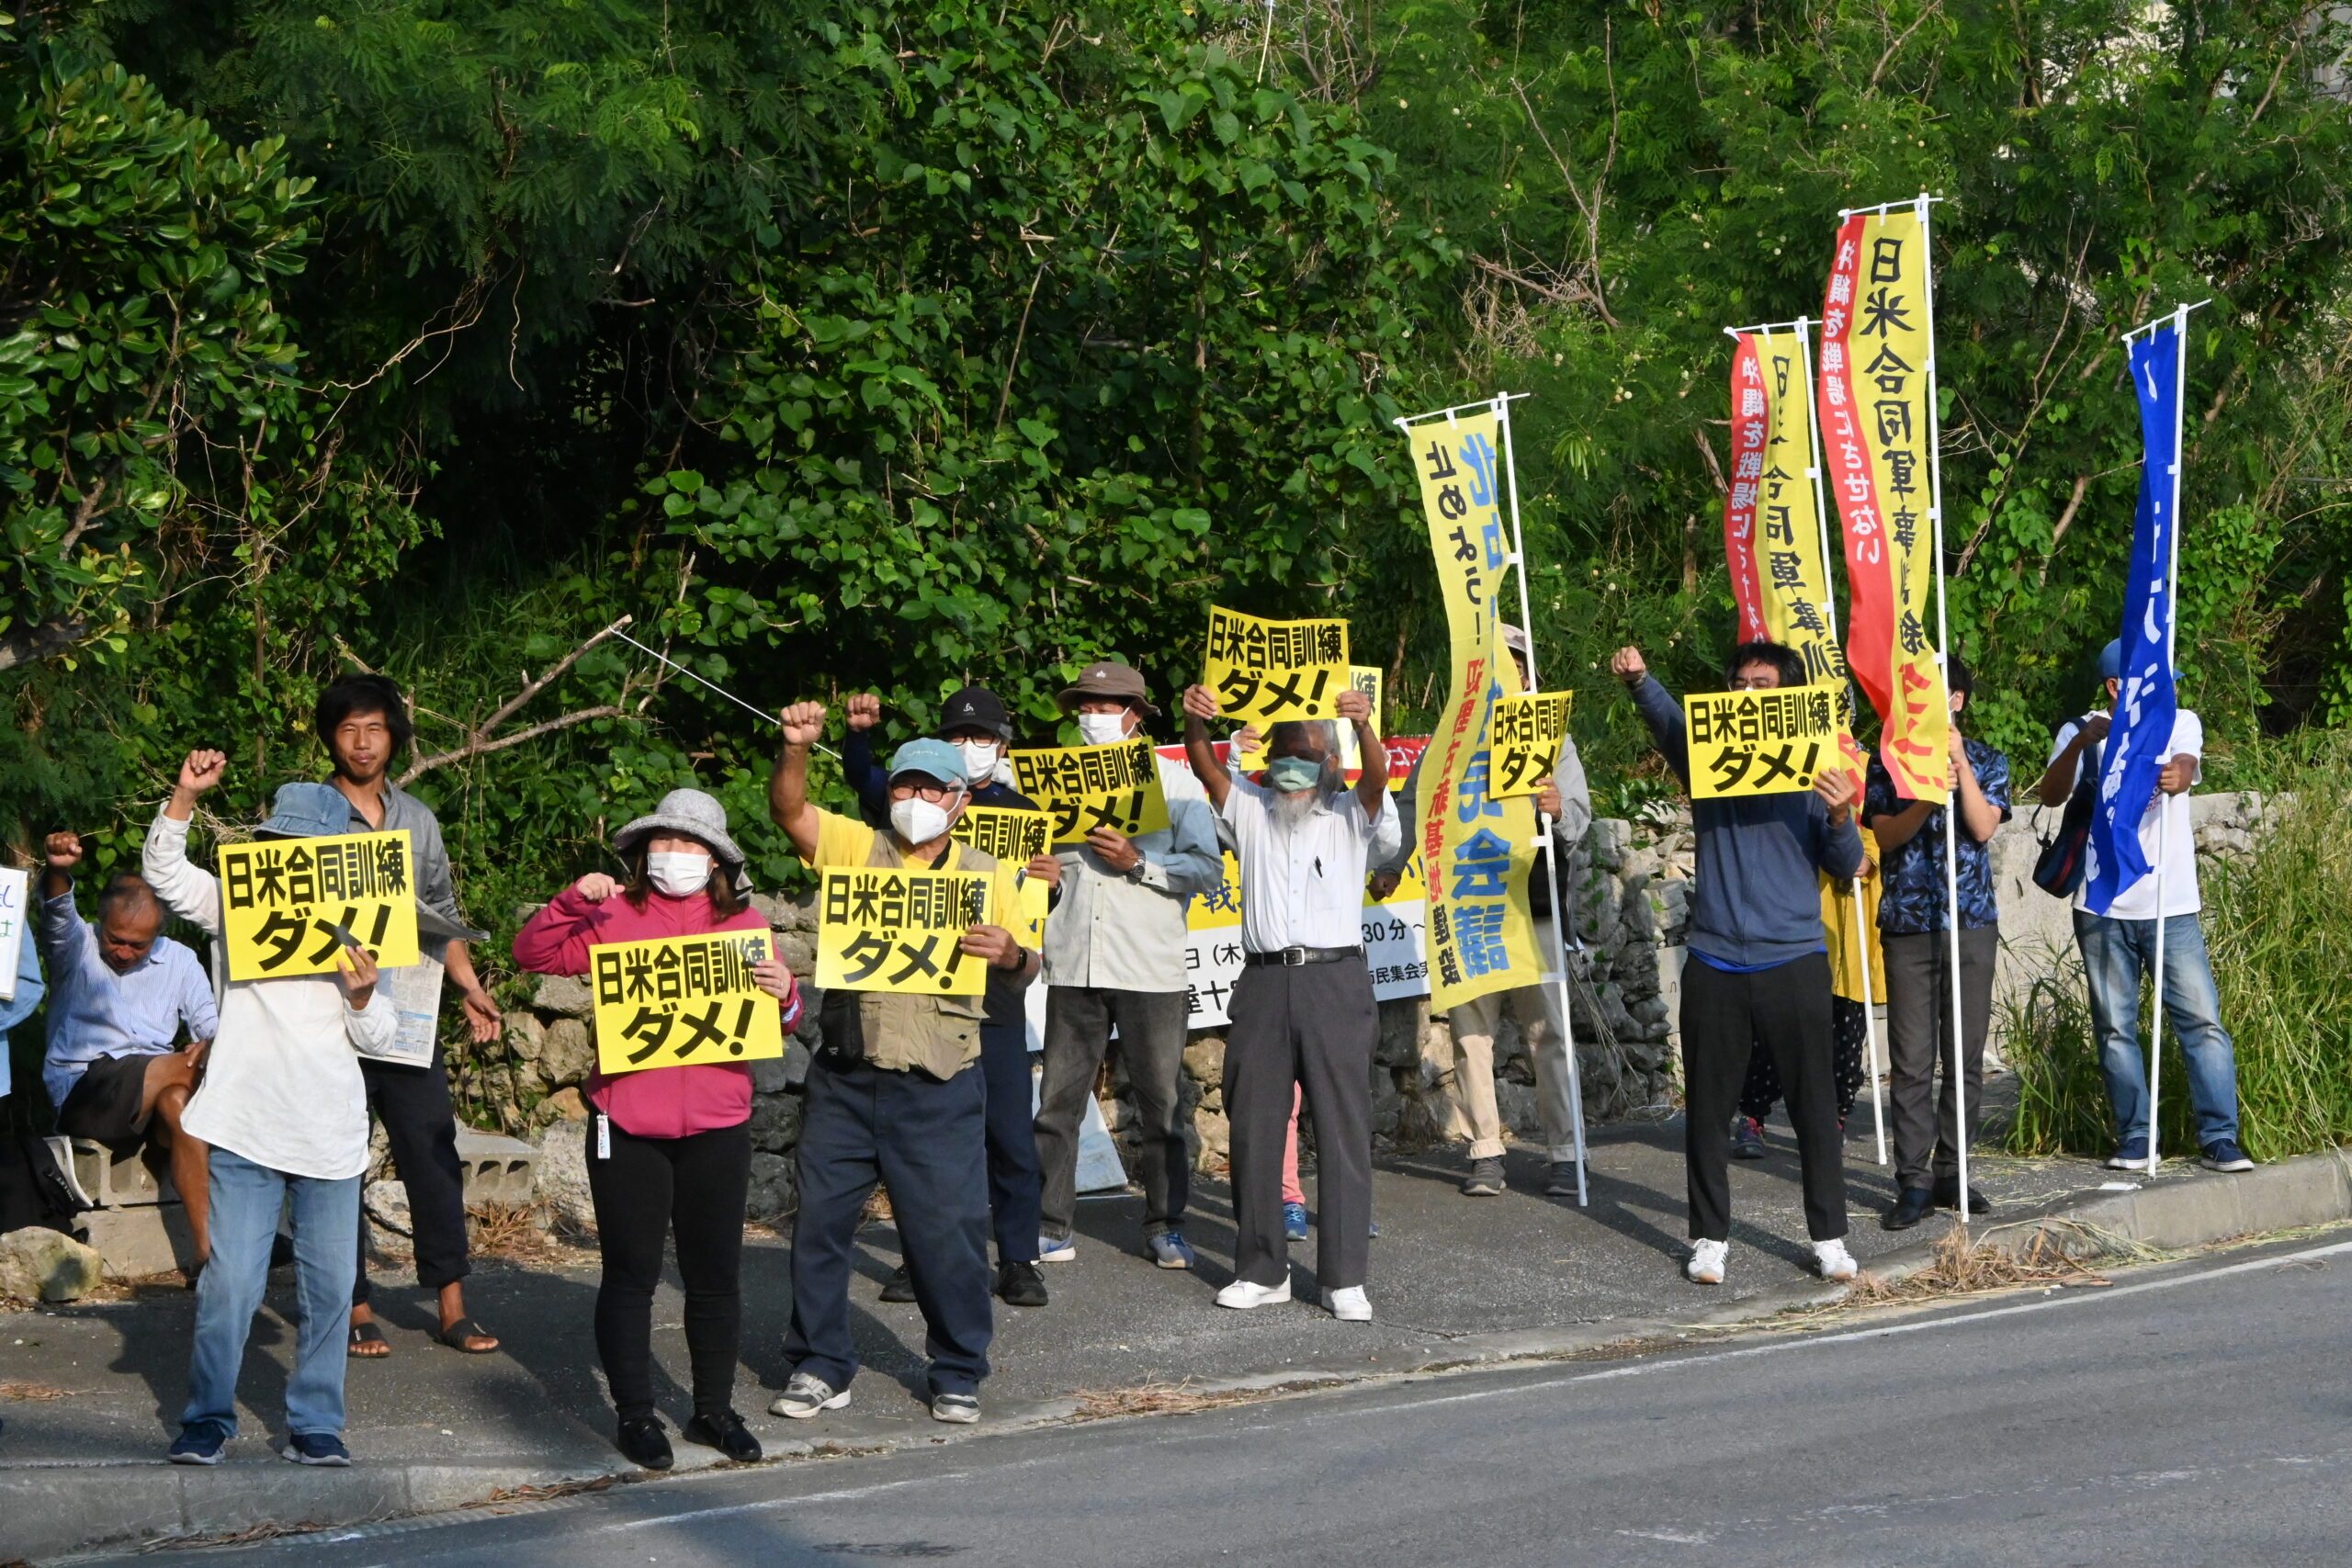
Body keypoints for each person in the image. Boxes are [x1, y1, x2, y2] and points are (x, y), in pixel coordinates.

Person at [513, 787, 797, 1469]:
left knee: (715, 1276)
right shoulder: (611, 913)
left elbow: (781, 1020)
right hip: (627, 1121)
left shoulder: (745, 924)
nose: (675, 853)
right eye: (663, 841)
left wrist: (785, 992)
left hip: (717, 1123)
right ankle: (637, 1414)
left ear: (718, 858)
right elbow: (534, 954)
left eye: (692, 842)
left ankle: (713, 1409)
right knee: (631, 1274)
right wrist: (571, 900)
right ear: (642, 852)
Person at [768, 713, 1037, 1425]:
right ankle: (821, 1361)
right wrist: (795, 748)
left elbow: (1027, 966)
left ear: (961, 799)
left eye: (932, 787)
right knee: (820, 1224)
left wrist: (1009, 952)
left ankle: (956, 1367)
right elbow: (789, 810)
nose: (915, 798)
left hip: (942, 1078)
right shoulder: (858, 848)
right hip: (848, 1073)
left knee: (944, 1230)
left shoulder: (988, 874)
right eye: (904, 784)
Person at [147, 750, 395, 1468]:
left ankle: (317, 1421)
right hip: (245, 1122)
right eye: (279, 847)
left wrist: (363, 995)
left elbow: (380, 1035)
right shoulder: (237, 904)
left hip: (329, 1130)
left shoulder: (365, 922)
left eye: (306, 849)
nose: (291, 859)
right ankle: (207, 1416)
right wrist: (184, 797)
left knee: (328, 1284)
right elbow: (166, 875)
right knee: (229, 1280)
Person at [1613, 642, 1865, 1285]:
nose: (1751, 693)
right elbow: (1672, 726)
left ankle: (1829, 1236)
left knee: (1814, 1105)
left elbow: (1846, 863)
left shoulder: (1816, 770)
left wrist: (1840, 814)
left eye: (1765, 683)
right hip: (1717, 957)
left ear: (1788, 696)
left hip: (1796, 958)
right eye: (1742, 683)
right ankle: (1708, 1237)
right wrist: (1641, 681)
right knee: (1708, 1108)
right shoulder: (1710, 762)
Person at [1181, 680, 1396, 1321]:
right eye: (1283, 758)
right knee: (1253, 1124)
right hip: (1265, 980)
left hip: (1336, 980)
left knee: (1342, 1127)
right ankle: (1261, 1268)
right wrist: (1197, 724)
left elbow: (1379, 779)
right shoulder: (1252, 805)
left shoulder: (1352, 811)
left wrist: (1362, 726)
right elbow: (1205, 766)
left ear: (1331, 763)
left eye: (1307, 757)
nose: (1293, 770)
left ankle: (1344, 1277)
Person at [840, 685, 1049, 1309]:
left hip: (995, 1001)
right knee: (920, 1147)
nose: (968, 747)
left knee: (1010, 1134)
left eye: (981, 736)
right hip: (924, 998)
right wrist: (857, 735)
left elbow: (1032, 911)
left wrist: (1051, 886)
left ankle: (1018, 1257)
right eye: (957, 736)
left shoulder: (1024, 810)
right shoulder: (912, 796)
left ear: (1002, 744)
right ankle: (918, 1257)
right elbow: (863, 775)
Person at [312, 674, 503, 1359]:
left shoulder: (418, 819)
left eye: (375, 728)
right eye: (347, 729)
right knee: (339, 1161)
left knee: (431, 1150)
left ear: (394, 735)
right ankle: (354, 1303)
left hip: (407, 1016)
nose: (362, 743)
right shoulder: (304, 814)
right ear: (330, 737)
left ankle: (451, 1302)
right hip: (326, 1018)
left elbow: (441, 917)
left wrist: (470, 985)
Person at [1373, 624, 1591, 1197]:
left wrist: (1556, 807)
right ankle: (1485, 1150)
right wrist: (1394, 864)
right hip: (1469, 910)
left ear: (1525, 670)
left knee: (1549, 1034)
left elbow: (1580, 820)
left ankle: (1565, 1152)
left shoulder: (1550, 735)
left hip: (1533, 906)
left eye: (1511, 661)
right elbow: (1416, 804)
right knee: (1471, 1036)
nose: (1502, 670)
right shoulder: (1451, 736)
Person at [1028, 660, 1221, 1270]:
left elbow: (1209, 869)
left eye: (1106, 706)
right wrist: (1043, 879)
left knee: (1161, 1104)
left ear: (1136, 715)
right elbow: (1027, 875)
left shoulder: (1177, 783)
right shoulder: (1052, 786)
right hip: (1074, 962)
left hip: (1150, 967)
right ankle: (1049, 1224)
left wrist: (1140, 861)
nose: (1092, 716)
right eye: (1085, 705)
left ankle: (1167, 1223)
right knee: (1058, 1102)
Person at [2035, 639, 2249, 1174]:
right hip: (2102, 904)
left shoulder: (2180, 720)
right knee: (2114, 1026)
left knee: (2200, 1020)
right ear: (2114, 686)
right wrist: (2084, 741)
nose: (2165, 686)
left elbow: (2185, 763)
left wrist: (2178, 774)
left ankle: (2221, 1136)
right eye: (2152, 677)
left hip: (2170, 903)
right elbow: (2051, 795)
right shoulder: (2081, 730)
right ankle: (2136, 1136)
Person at [1865, 655, 2010, 1227]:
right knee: (1911, 1061)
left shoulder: (1988, 760)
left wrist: (1958, 767)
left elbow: (1982, 826)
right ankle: (1913, 1180)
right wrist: (1926, 793)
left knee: (1965, 1056)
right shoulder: (1887, 763)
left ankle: (1955, 1171)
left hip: (1970, 923)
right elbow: (1885, 835)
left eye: (1935, 696)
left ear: (1957, 701)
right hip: (1908, 924)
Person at [37, 834, 218, 1268]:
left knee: (180, 1104)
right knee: (199, 1071)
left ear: (160, 932)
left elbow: (210, 1024)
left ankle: (206, 1257)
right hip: (87, 1089)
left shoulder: (179, 960)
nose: (123, 952)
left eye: (139, 944)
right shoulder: (77, 946)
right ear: (101, 923)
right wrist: (58, 870)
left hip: (154, 1092)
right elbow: (58, 915)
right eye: (116, 939)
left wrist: (212, 1042)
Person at [1730, 845, 1882, 1159]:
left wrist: (1861, 850)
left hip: (1850, 939)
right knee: (1771, 1032)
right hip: (1792, 934)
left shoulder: (1868, 796)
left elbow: (1867, 849)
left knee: (1846, 1042)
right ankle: (1753, 1116)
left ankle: (1833, 1121)